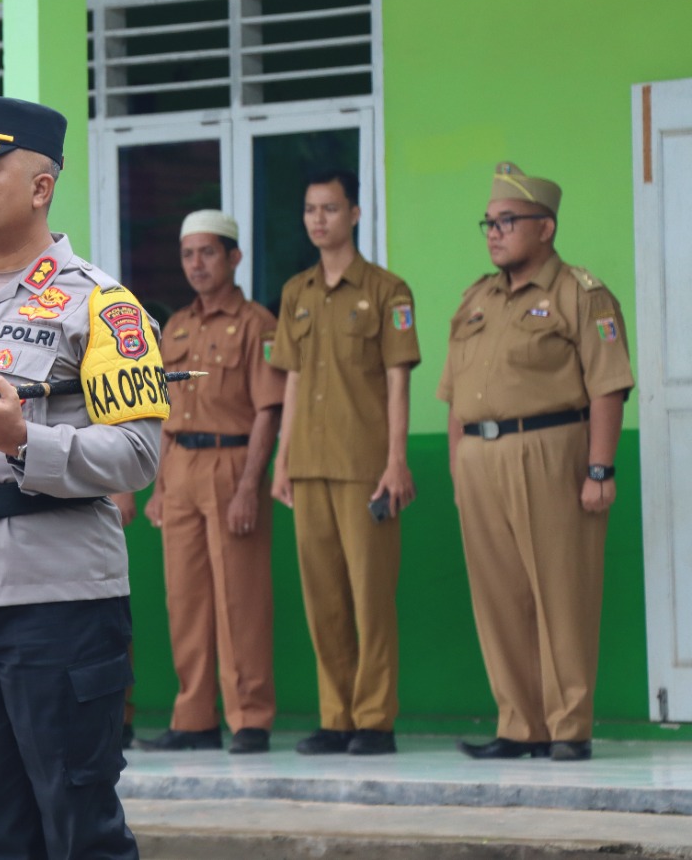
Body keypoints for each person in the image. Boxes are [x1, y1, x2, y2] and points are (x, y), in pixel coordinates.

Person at [0, 95, 165, 860]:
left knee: (76, 826)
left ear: (39, 186)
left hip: (55, 602)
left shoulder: (102, 304)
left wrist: (27, 443)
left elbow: (137, 456)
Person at [443, 163, 633, 763]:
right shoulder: (476, 298)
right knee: (497, 595)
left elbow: (608, 386)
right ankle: (519, 724)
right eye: (489, 223)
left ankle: (568, 726)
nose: (494, 232)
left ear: (545, 227)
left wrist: (600, 469)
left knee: (562, 592)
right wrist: (457, 468)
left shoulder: (580, 292)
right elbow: (455, 395)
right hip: (479, 458)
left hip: (552, 451)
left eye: (507, 222)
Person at [269, 168, 419, 757]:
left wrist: (397, 461)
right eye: (310, 209)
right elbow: (295, 381)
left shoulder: (387, 291)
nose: (318, 220)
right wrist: (282, 460)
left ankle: (375, 721)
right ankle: (336, 717)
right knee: (323, 600)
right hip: (308, 464)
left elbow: (397, 380)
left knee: (371, 598)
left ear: (354, 214)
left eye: (330, 209)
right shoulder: (296, 292)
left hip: (366, 467)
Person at [127, 210, 283, 755]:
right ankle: (193, 717)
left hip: (232, 465)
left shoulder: (258, 323)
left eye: (208, 253)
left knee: (241, 599)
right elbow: (163, 412)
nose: (196, 264)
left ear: (234, 257)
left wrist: (248, 488)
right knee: (185, 600)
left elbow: (268, 410)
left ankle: (250, 717)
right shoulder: (176, 327)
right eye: (188, 254)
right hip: (182, 469)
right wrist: (161, 486)